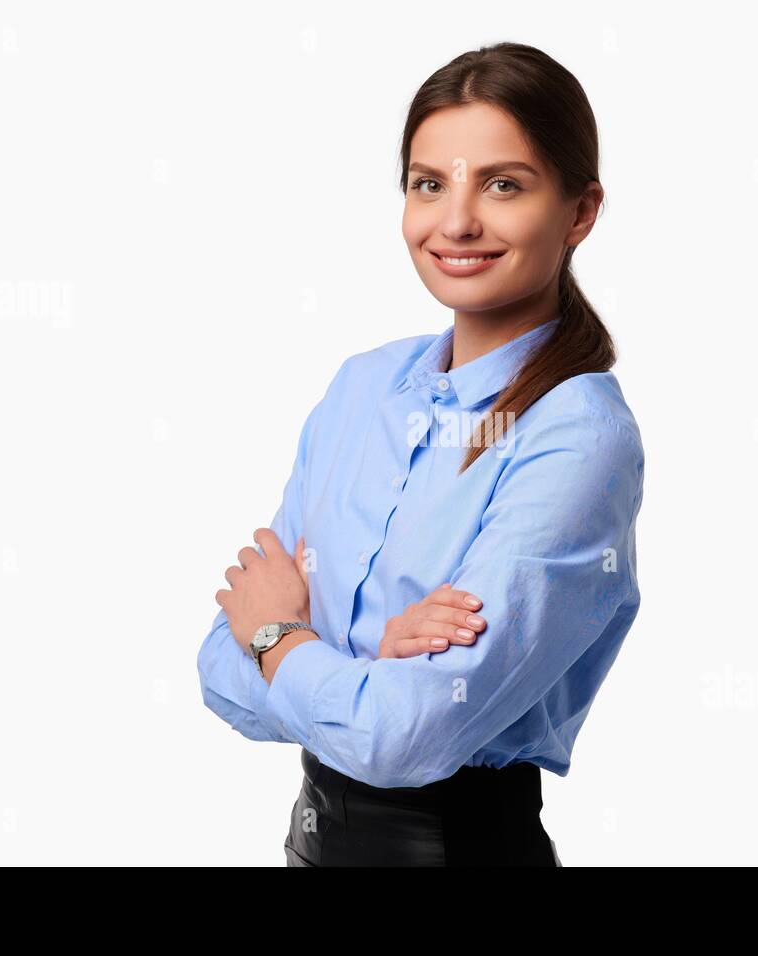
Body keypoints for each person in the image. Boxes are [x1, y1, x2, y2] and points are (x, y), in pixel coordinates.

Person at [197, 41, 644, 866]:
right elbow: (217, 670)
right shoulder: (362, 388)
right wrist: (365, 657)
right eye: (429, 184)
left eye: (503, 184)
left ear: (580, 212)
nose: (457, 221)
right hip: (308, 845)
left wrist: (285, 638)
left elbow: (402, 738)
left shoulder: (580, 435)